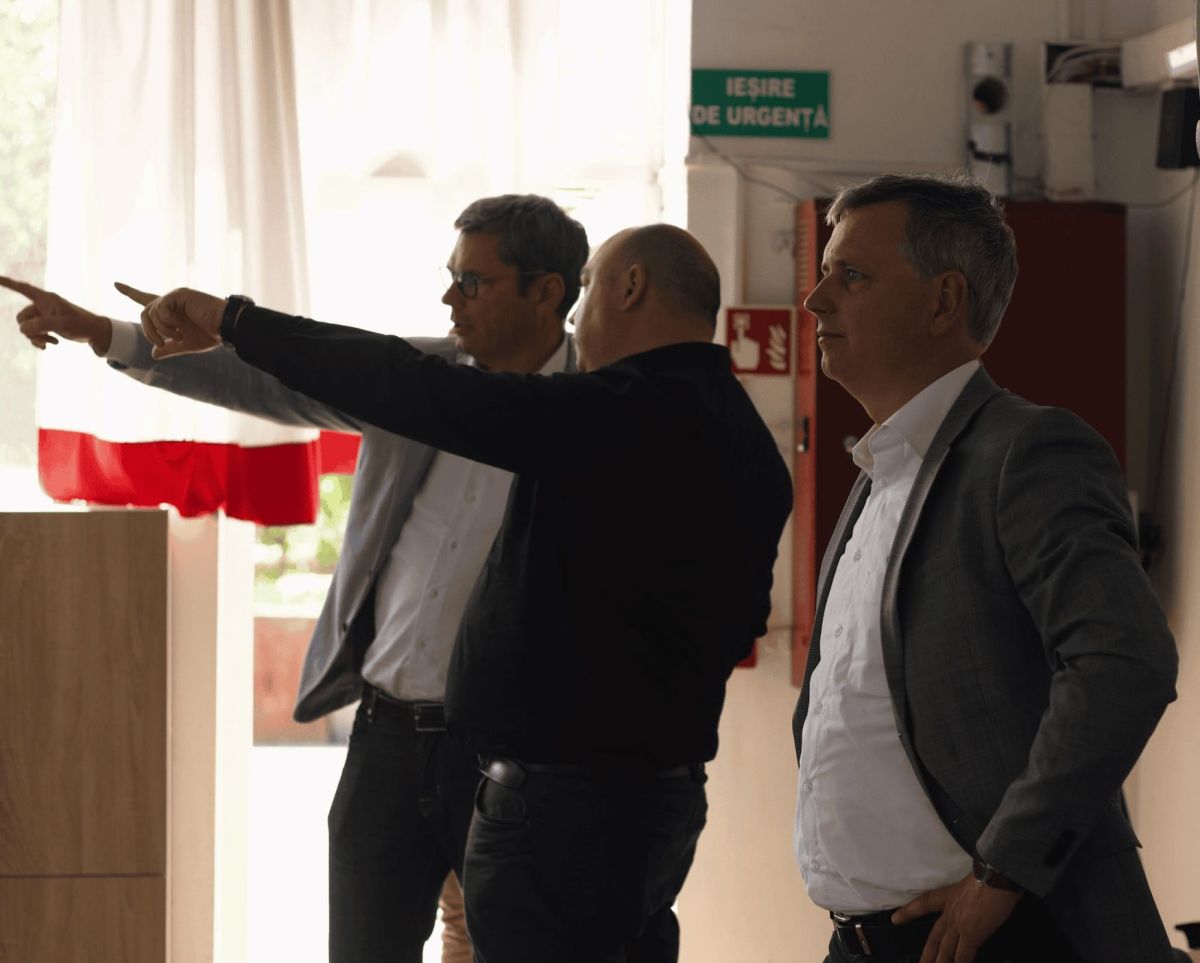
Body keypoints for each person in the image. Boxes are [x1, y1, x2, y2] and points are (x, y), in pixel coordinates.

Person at [113, 222, 794, 962]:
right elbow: (739, 623)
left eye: (589, 285)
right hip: (652, 800)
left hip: (564, 811)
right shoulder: (746, 440)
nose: (578, 311)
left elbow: (411, 385)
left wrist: (236, 320)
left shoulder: (618, 411)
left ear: (631, 287)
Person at [2, 192, 589, 963]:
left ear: (547, 291)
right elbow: (269, 381)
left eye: (472, 282)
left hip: (512, 756)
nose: (450, 298)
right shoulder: (416, 379)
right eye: (450, 277)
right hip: (386, 741)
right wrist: (104, 333)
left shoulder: (597, 411)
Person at [791, 172, 1179, 963]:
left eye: (851, 275)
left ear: (943, 301)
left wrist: (1003, 871)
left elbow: (1124, 658)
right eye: (825, 273)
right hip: (864, 940)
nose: (816, 300)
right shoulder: (879, 472)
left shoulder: (1025, 452)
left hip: (994, 936)